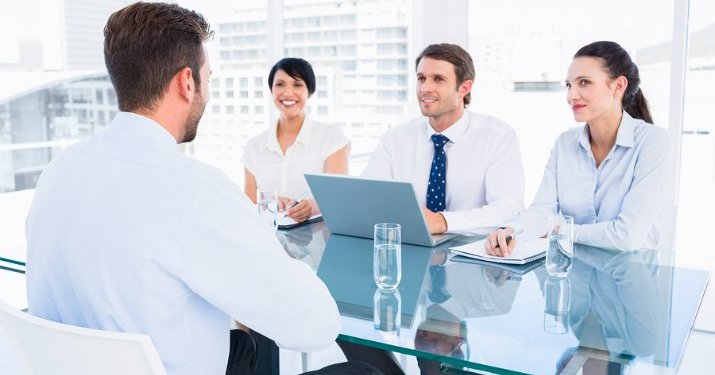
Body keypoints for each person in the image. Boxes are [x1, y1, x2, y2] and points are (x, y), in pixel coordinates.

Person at [24, 3, 379, 375]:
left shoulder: (58, 171)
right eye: (208, 78)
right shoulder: (195, 190)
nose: (207, 90)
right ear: (187, 82)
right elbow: (317, 324)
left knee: (245, 344)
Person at [485, 41, 672, 256]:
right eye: (569, 85)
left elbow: (626, 236)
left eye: (584, 82)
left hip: (630, 277)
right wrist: (511, 230)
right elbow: (541, 209)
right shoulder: (564, 143)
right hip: (574, 274)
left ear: (618, 86)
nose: (571, 95)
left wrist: (559, 230)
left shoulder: (653, 141)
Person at [362, 43, 525, 235]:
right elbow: (368, 196)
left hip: (472, 253)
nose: (425, 88)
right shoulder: (395, 138)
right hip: (409, 248)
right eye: (421, 78)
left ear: (464, 88)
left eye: (438, 79)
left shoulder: (497, 136)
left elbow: (508, 208)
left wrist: (443, 222)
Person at [243, 57, 350, 223]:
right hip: (270, 242)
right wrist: (269, 205)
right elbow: (248, 207)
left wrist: (312, 207)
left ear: (310, 91)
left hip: (319, 241)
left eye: (297, 84)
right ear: (271, 90)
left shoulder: (331, 137)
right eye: (280, 84)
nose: (287, 92)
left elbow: (339, 199)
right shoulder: (254, 146)